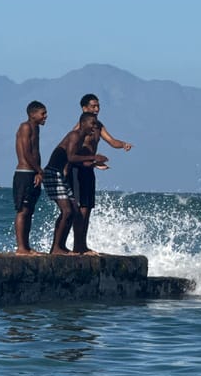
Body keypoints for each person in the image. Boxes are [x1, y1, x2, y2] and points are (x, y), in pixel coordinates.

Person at [69, 94, 134, 254]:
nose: (96, 109)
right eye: (93, 106)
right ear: (84, 108)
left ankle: (82, 246)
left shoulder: (98, 126)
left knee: (88, 208)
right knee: (79, 209)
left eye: (98, 106)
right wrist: (92, 162)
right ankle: (77, 247)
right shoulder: (79, 129)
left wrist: (123, 144)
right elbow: (72, 154)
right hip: (78, 169)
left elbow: (111, 141)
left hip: (90, 169)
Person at [42, 113, 108, 255]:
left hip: (59, 175)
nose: (94, 127)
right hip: (53, 173)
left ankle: (63, 246)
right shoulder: (75, 135)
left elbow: (78, 160)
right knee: (67, 211)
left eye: (96, 124)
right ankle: (56, 249)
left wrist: (95, 163)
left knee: (74, 212)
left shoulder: (81, 138)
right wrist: (94, 156)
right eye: (92, 123)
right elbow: (71, 157)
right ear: (83, 123)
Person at [13, 101, 47, 255]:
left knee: (29, 211)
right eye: (43, 113)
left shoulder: (36, 128)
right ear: (33, 114)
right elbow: (27, 152)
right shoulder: (25, 126)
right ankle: (21, 248)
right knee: (23, 210)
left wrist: (38, 172)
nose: (45, 116)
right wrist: (39, 171)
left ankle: (26, 247)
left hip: (33, 173)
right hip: (25, 173)